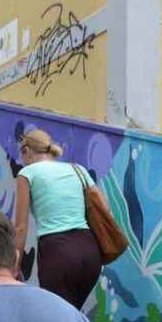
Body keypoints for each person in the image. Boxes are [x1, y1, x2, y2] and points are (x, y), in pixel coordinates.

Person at [14, 128, 110, 310]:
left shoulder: (27, 174)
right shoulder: (77, 169)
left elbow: (20, 227)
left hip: (58, 253)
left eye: (22, 155)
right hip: (90, 253)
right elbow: (105, 208)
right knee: (72, 316)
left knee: (58, 320)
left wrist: (14, 267)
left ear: (27, 151)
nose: (22, 161)